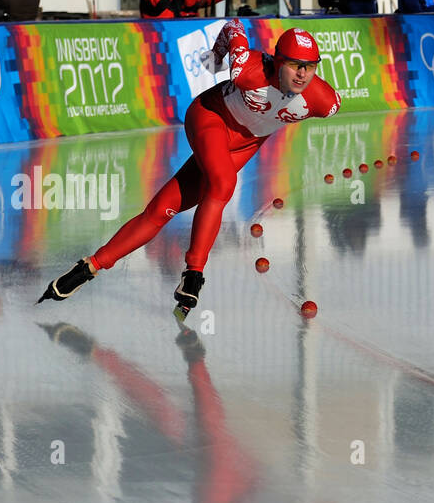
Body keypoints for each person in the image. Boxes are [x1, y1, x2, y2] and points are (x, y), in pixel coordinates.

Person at [38, 20, 342, 317]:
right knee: (223, 183)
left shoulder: (324, 102)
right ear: (277, 61)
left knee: (161, 211)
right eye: (294, 65)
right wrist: (218, 55)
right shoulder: (247, 68)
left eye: (310, 66)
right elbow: (233, 26)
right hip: (211, 118)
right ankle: (193, 274)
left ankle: (89, 266)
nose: (303, 74)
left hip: (244, 144)